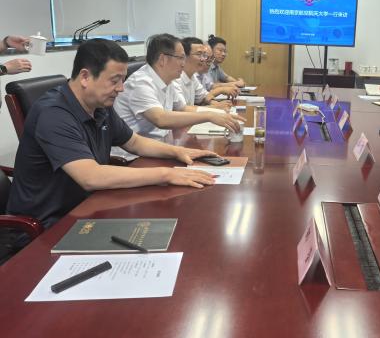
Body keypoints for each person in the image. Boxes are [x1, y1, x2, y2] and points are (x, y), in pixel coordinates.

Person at [7, 38, 221, 231]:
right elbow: (91, 177)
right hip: (47, 225)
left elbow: (134, 142)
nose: (121, 88)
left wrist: (178, 152)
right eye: (115, 80)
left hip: (88, 206)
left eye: (123, 80)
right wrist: (167, 174)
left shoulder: (99, 105)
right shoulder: (53, 113)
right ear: (85, 77)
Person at [113, 33, 245, 138]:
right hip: (132, 157)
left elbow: (183, 109)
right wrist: (209, 115)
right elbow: (161, 119)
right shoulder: (141, 82)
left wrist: (218, 113)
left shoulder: (168, 80)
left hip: (159, 144)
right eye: (181, 58)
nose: (184, 63)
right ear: (163, 59)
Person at [176, 37, 237, 108]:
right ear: (184, 56)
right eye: (199, 54)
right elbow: (183, 109)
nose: (203, 59)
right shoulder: (176, 79)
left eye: (204, 55)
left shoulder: (192, 77)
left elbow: (205, 97)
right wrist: (216, 107)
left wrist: (218, 104)